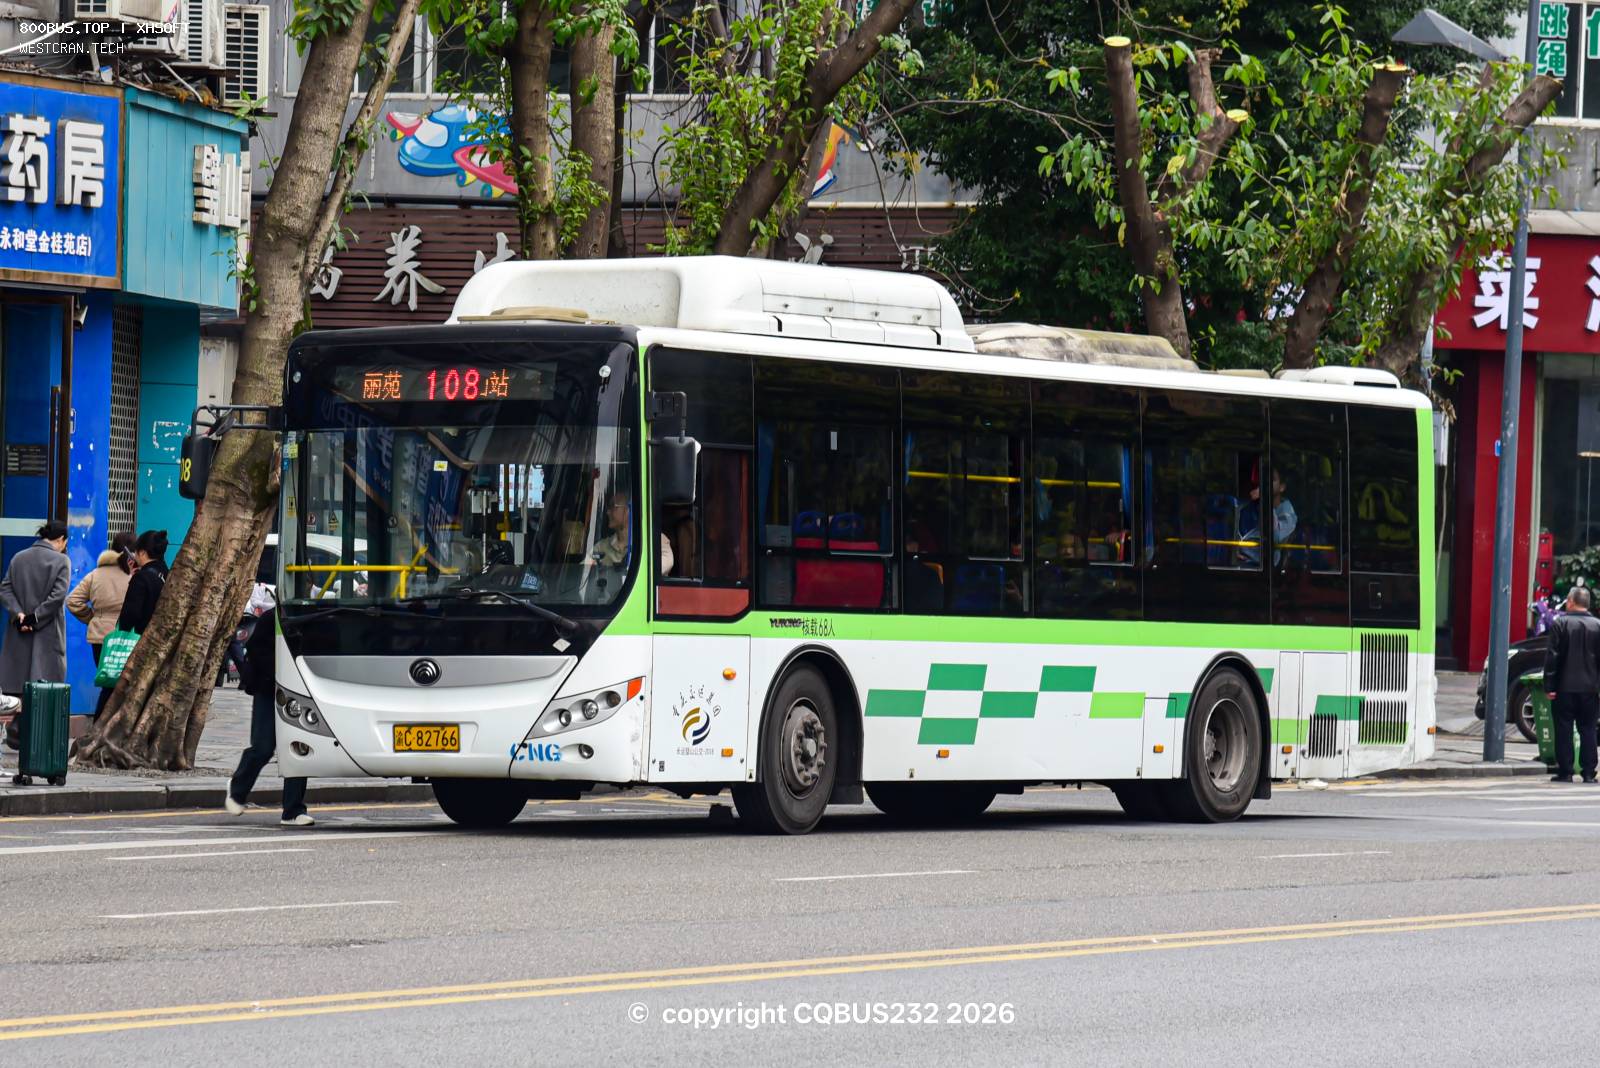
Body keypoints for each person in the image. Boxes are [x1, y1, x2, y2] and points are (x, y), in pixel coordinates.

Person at [224, 607, 313, 826]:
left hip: (301, 691)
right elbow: (255, 651)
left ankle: (292, 810)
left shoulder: (314, 616)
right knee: (263, 747)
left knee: (298, 748)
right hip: (268, 689)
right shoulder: (272, 617)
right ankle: (237, 790)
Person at [0, 521, 71, 752]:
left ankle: (17, 731)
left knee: (19, 684)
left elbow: (5, 588)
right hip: (48, 633)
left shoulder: (19, 557)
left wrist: (20, 615)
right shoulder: (62, 561)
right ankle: (35, 736)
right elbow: (58, 596)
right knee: (45, 685)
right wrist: (35, 618)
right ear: (60, 540)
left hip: (18, 632)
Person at [66, 531, 135, 721]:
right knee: (125, 684)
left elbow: (73, 601)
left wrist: (94, 619)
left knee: (108, 682)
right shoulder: (134, 575)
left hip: (100, 637)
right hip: (128, 636)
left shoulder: (96, 574)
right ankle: (112, 723)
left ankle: (100, 722)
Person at [1543, 585, 1600, 784]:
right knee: (1588, 729)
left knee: (1563, 729)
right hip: (1590, 689)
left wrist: (1549, 686)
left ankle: (1565, 771)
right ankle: (1588, 773)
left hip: (1563, 688)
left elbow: (1552, 658)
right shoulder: (1597, 625)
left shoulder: (1560, 624)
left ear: (1570, 601)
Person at [116, 530, 170, 636]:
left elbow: (129, 616)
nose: (134, 556)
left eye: (136, 552)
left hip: (141, 639)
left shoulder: (141, 578)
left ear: (142, 553)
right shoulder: (167, 573)